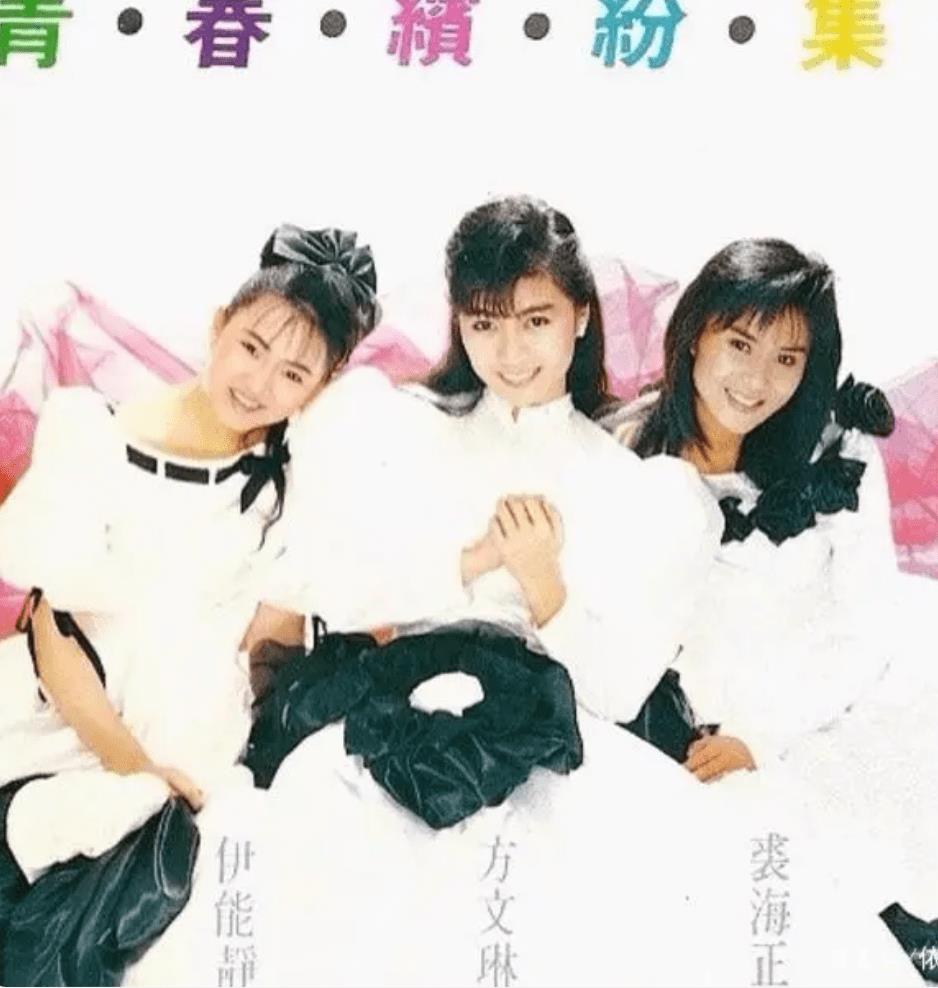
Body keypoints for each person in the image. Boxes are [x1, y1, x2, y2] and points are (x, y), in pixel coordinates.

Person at [241, 203, 916, 987]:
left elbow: (614, 687)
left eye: (537, 321)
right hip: (378, 729)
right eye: (485, 324)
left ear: (581, 316)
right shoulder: (400, 426)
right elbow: (337, 593)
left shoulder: (635, 483)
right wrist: (468, 562)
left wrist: (546, 587)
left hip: (550, 748)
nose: (511, 353)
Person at [0, 223, 379, 985]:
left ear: (320, 388)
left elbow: (266, 639)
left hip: (201, 743)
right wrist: (134, 769)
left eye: (293, 374)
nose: (259, 383)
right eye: (250, 347)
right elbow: (52, 633)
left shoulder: (289, 479)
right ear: (217, 326)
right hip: (74, 728)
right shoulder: (91, 431)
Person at [601, 237, 938, 980]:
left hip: (838, 706)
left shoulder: (839, 451)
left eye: (787, 359)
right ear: (696, 334)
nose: (757, 380)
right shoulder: (626, 452)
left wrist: (764, 735)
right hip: (702, 719)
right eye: (740, 344)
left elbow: (868, 625)